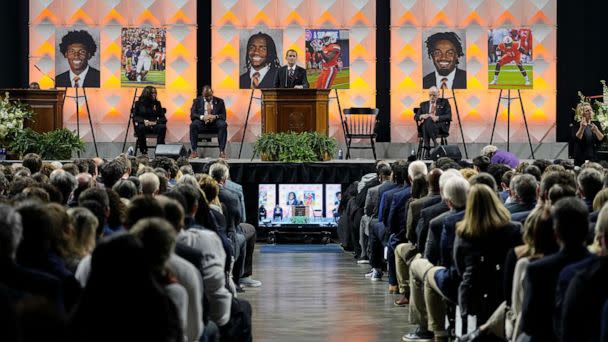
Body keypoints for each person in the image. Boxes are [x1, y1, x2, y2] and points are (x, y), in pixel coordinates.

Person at [189, 85, 228, 158]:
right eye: (206, 97)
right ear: (202, 94)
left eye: (210, 96)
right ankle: (194, 151)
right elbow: (193, 115)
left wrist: (215, 116)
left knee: (223, 124)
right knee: (193, 125)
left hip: (215, 124)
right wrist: (203, 117)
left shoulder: (220, 101)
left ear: (212, 92)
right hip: (202, 124)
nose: (208, 98)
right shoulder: (196, 101)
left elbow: (223, 116)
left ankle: (222, 152)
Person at [415, 86, 452, 158]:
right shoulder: (423, 104)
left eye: (434, 95)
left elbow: (449, 116)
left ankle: (427, 149)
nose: (432, 97)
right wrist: (422, 116)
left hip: (439, 127)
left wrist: (437, 118)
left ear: (438, 94)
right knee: (428, 120)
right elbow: (416, 117)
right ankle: (435, 143)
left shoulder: (444, 102)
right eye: (430, 95)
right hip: (427, 126)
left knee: (427, 122)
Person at [132, 86, 167, 155]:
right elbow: (135, 117)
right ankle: (143, 151)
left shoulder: (157, 103)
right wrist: (144, 121)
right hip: (144, 125)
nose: (155, 94)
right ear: (147, 94)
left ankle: (159, 151)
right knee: (140, 127)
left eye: (155, 92)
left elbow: (163, 118)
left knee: (162, 127)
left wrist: (155, 122)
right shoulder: (138, 103)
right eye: (152, 93)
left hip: (154, 125)